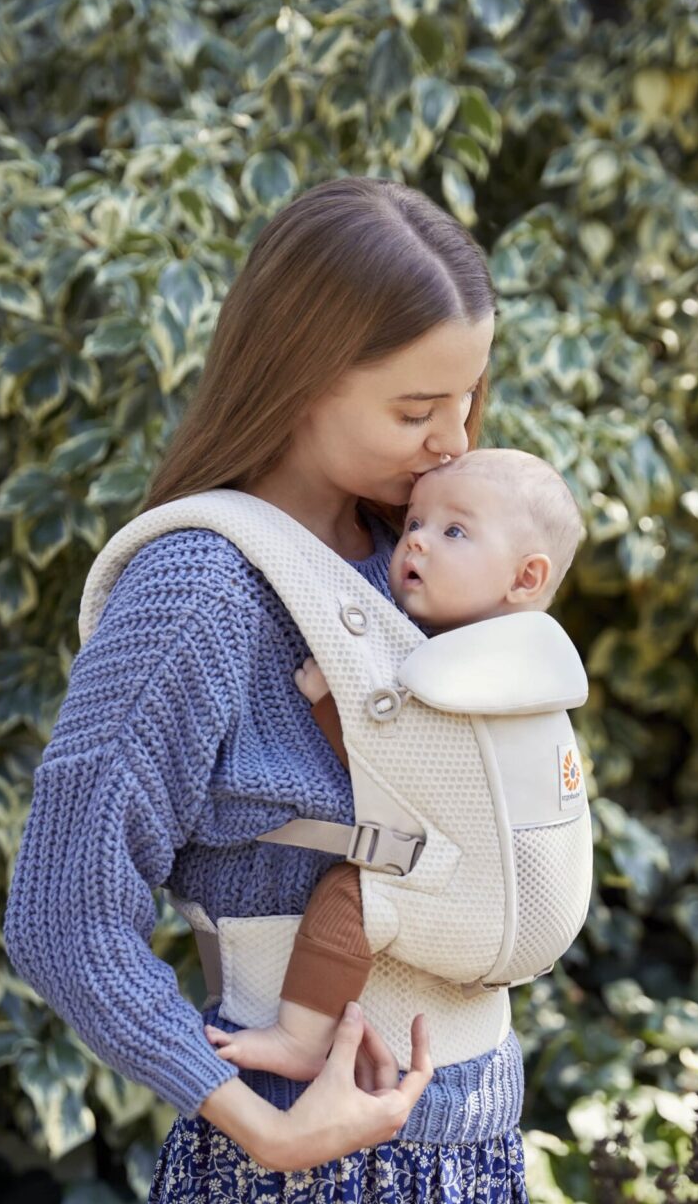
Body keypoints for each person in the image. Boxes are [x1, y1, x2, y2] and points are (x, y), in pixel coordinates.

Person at [3, 175, 561, 1204]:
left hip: (463, 1188)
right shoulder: (199, 595)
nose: (453, 442)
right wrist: (259, 1127)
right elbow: (63, 915)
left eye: (467, 400)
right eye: (416, 410)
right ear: (301, 375)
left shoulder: (430, 565)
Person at [203, 448, 584, 1083]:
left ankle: (300, 1039)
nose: (418, 543)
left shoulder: (459, 673)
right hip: (534, 916)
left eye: (454, 531)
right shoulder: (533, 668)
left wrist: (331, 704)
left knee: (349, 895)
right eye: (414, 524)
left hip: (478, 909)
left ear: (525, 578)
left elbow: (389, 773)